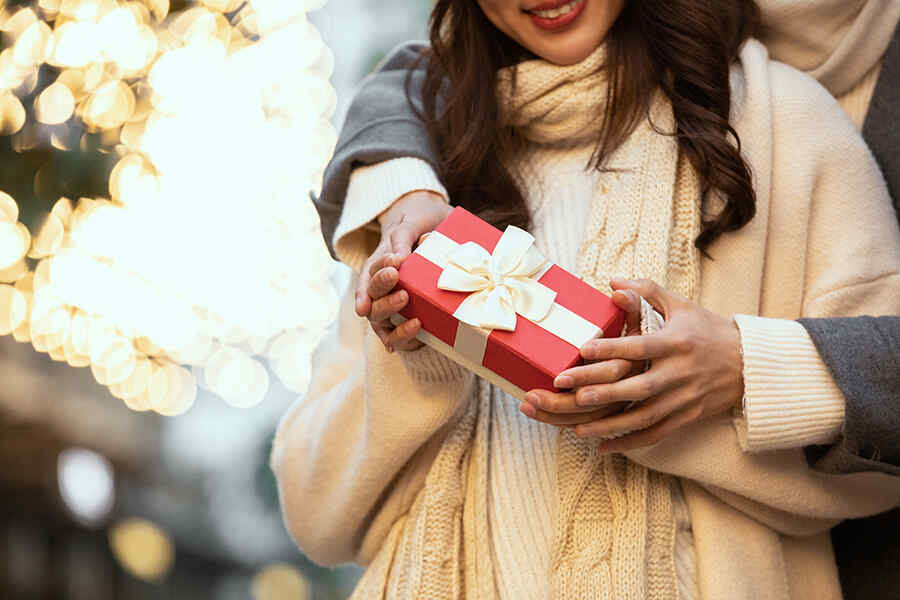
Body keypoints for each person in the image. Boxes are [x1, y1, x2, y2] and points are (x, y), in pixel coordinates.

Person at [272, 1, 900, 599]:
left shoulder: (783, 123)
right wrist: (421, 359)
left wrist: (743, 374)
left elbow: (883, 455)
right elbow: (315, 514)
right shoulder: (425, 178)